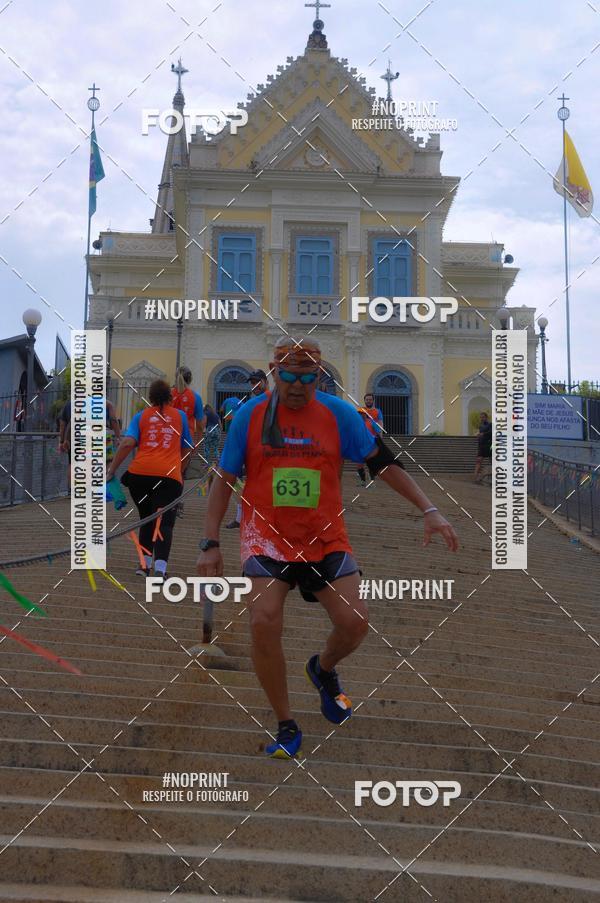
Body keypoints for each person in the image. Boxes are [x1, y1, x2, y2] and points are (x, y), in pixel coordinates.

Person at [197, 337, 459, 759]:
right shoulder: (249, 415)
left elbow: (383, 462)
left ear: (319, 376)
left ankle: (323, 669)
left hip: (324, 537)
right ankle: (285, 723)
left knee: (355, 622)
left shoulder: (339, 414)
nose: (297, 386)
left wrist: (429, 508)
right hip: (267, 537)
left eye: (307, 378)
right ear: (272, 371)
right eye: (288, 377)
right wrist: (210, 541)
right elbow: (224, 479)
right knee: (264, 621)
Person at [106, 379, 193, 582]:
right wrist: (180, 470)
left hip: (139, 476)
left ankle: (144, 566)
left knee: (146, 519)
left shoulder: (141, 416)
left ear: (151, 398)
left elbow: (128, 443)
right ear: (170, 398)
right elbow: (188, 447)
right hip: (169, 477)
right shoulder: (180, 416)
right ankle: (160, 569)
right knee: (165, 523)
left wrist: (112, 470)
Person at [225, 369, 270, 529]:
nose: (255, 385)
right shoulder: (248, 406)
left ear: (265, 381)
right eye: (252, 383)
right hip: (249, 453)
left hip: (269, 454)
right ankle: (240, 517)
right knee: (239, 485)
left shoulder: (274, 402)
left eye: (257, 381)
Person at [59, 397, 121, 494]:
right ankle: (105, 489)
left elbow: (72, 422)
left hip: (86, 434)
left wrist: (66, 439)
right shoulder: (107, 403)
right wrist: (118, 437)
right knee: (108, 461)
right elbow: (113, 420)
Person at [356, 393, 384, 486]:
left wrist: (380, 438)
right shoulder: (361, 410)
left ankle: (372, 482)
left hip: (372, 440)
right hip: (362, 439)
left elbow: (380, 425)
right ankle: (363, 481)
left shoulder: (377, 411)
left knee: (371, 462)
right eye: (367, 399)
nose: (368, 401)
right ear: (365, 400)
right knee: (359, 462)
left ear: (373, 400)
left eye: (370, 399)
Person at [203, 403, 222, 487]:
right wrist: (220, 431)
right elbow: (220, 424)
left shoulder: (206, 413)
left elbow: (205, 421)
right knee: (215, 448)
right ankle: (218, 462)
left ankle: (207, 463)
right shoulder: (215, 414)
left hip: (210, 429)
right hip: (217, 430)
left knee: (206, 446)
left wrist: (204, 429)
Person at [474, 411, 492, 483]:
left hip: (489, 445)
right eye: (481, 417)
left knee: (492, 461)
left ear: (486, 417)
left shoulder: (490, 424)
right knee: (478, 461)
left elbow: (491, 432)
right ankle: (475, 478)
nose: (482, 418)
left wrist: (483, 434)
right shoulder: (480, 426)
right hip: (481, 445)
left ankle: (492, 476)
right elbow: (480, 435)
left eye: (483, 417)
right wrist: (479, 437)